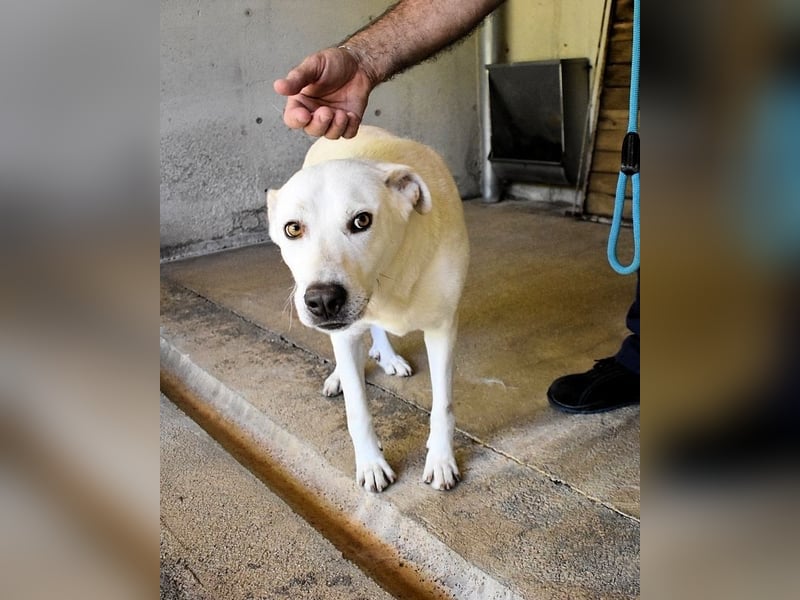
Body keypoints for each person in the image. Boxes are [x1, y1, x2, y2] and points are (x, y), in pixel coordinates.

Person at [273, 0, 639, 413]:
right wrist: (361, 59)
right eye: (293, 230)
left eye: (357, 219)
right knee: (356, 302)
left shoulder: (413, 202)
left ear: (410, 193)